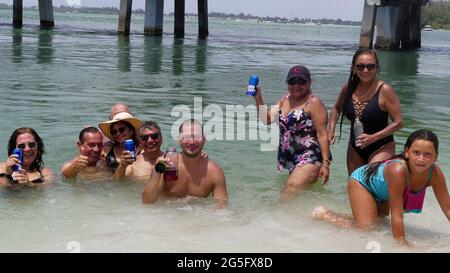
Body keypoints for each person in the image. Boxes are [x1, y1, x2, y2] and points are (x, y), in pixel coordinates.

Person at [313, 129, 450, 245]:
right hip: (362, 183)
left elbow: (448, 208)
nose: (421, 159)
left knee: (382, 222)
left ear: (436, 157)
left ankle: (357, 215)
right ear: (407, 152)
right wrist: (402, 245)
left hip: (383, 189)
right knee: (367, 228)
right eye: (416, 152)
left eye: (427, 154)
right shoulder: (398, 170)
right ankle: (324, 214)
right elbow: (397, 215)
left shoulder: (435, 174)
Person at [253, 65, 331, 201]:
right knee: (300, 198)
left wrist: (325, 164)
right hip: (290, 159)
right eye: (292, 81)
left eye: (301, 81)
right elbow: (267, 120)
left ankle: (271, 219)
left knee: (288, 192)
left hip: (310, 158)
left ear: (309, 82)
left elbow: (322, 134)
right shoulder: (284, 100)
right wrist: (258, 98)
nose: (296, 85)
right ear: (287, 83)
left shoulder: (314, 102)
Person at [328, 48, 403, 175]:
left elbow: (398, 122)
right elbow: (336, 109)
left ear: (377, 68)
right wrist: (331, 129)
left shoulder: (385, 89)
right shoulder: (349, 87)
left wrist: (373, 138)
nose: (365, 70)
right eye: (360, 66)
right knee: (355, 185)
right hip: (355, 148)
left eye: (370, 66)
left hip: (381, 146)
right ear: (353, 68)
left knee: (372, 182)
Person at [142, 119, 228, 208]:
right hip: (165, 216)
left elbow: (221, 208)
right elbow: (147, 201)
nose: (192, 142)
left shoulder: (215, 173)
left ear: (204, 139)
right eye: (187, 137)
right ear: (179, 140)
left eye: (197, 137)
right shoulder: (166, 165)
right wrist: (158, 172)